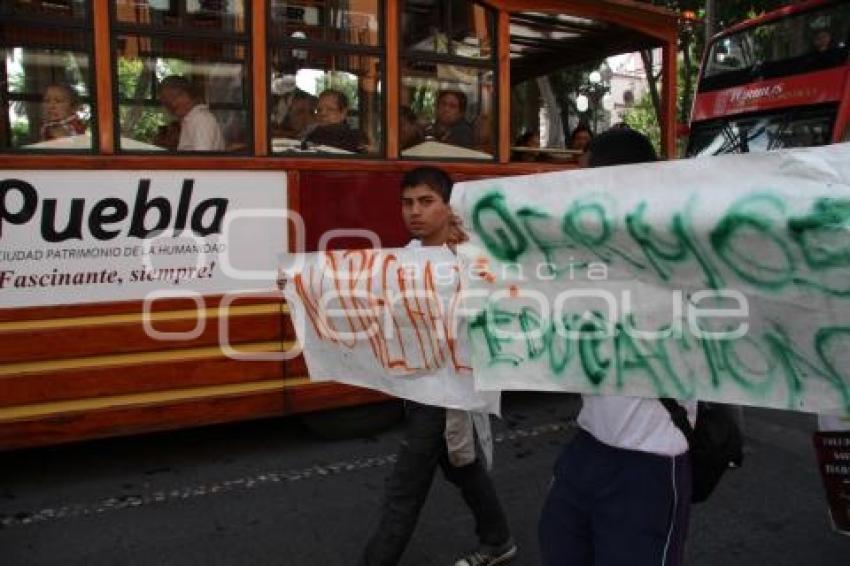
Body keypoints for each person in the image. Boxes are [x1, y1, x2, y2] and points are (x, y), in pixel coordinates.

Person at [538, 128, 695, 566]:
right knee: (559, 545)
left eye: (583, 178)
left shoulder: (679, 249)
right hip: (589, 442)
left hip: (651, 457)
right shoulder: (585, 251)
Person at [359, 166, 516, 566]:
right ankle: (497, 540)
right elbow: (357, 294)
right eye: (407, 202)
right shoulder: (404, 258)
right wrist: (296, 281)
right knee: (461, 464)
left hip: (447, 393)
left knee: (404, 488)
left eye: (427, 201)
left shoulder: (471, 257)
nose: (415, 211)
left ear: (449, 207)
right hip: (418, 387)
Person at [158, 75, 225, 151]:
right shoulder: (189, 120)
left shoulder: (201, 119)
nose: (172, 104)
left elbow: (201, 159)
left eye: (174, 97)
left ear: (189, 94)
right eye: (166, 102)